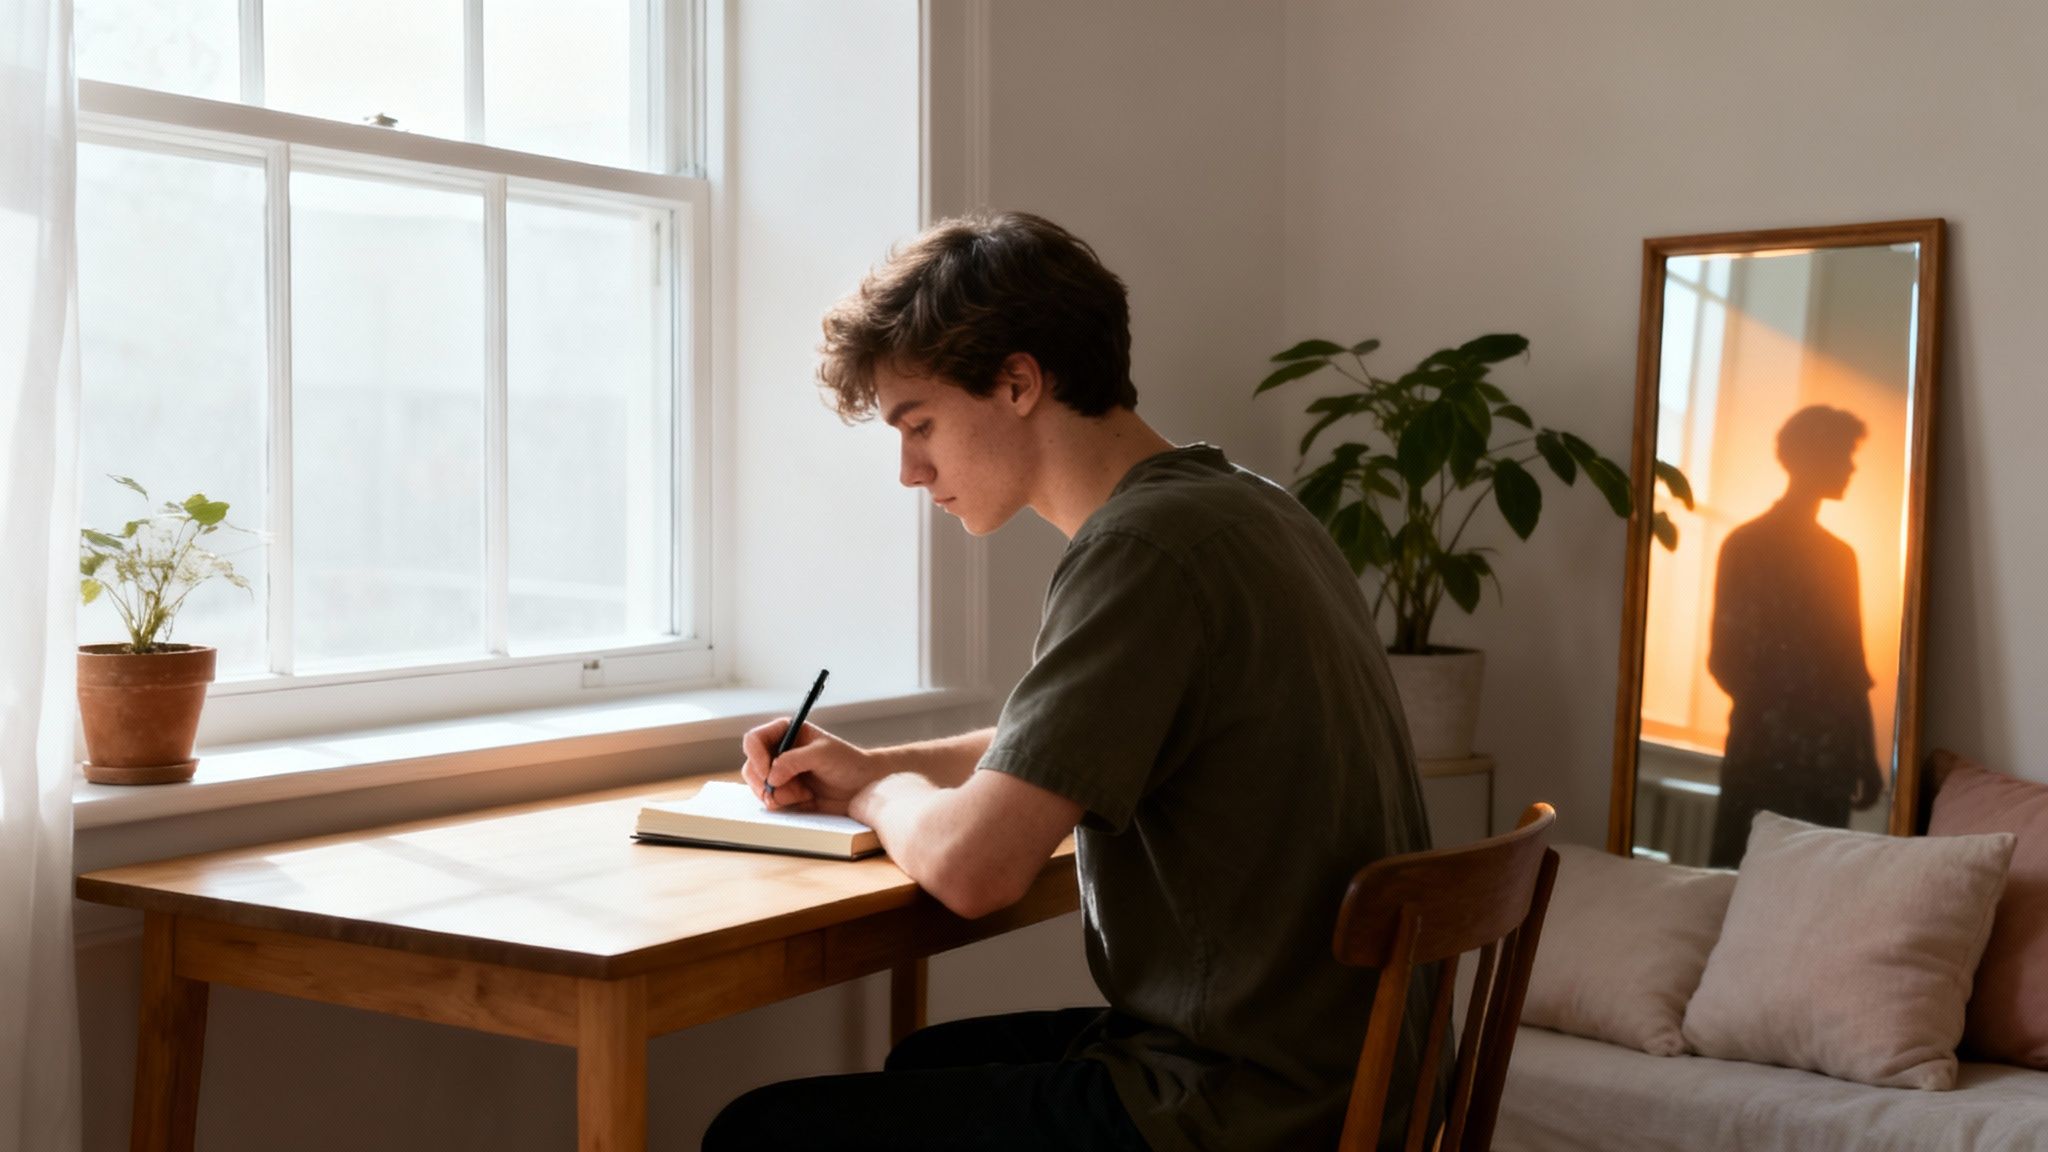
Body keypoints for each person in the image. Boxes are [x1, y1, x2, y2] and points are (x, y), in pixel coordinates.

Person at [702, 211, 1434, 1152]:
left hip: (1251, 1106)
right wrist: (870, 765)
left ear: (1018, 382)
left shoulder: (1142, 550)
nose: (910, 471)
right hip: (1348, 1072)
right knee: (924, 1064)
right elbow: (1062, 743)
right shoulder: (1249, 511)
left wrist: (882, 794)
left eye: (919, 424)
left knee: (759, 1132)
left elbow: (975, 871)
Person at [1706, 404, 1887, 868]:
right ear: (1812, 457)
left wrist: (1864, 755)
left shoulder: (1834, 557)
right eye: (1844, 454)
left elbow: (1851, 668)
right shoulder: (1748, 547)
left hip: (1805, 756)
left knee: (1796, 880)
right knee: (1749, 877)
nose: (1851, 467)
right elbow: (1725, 658)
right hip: (1777, 755)